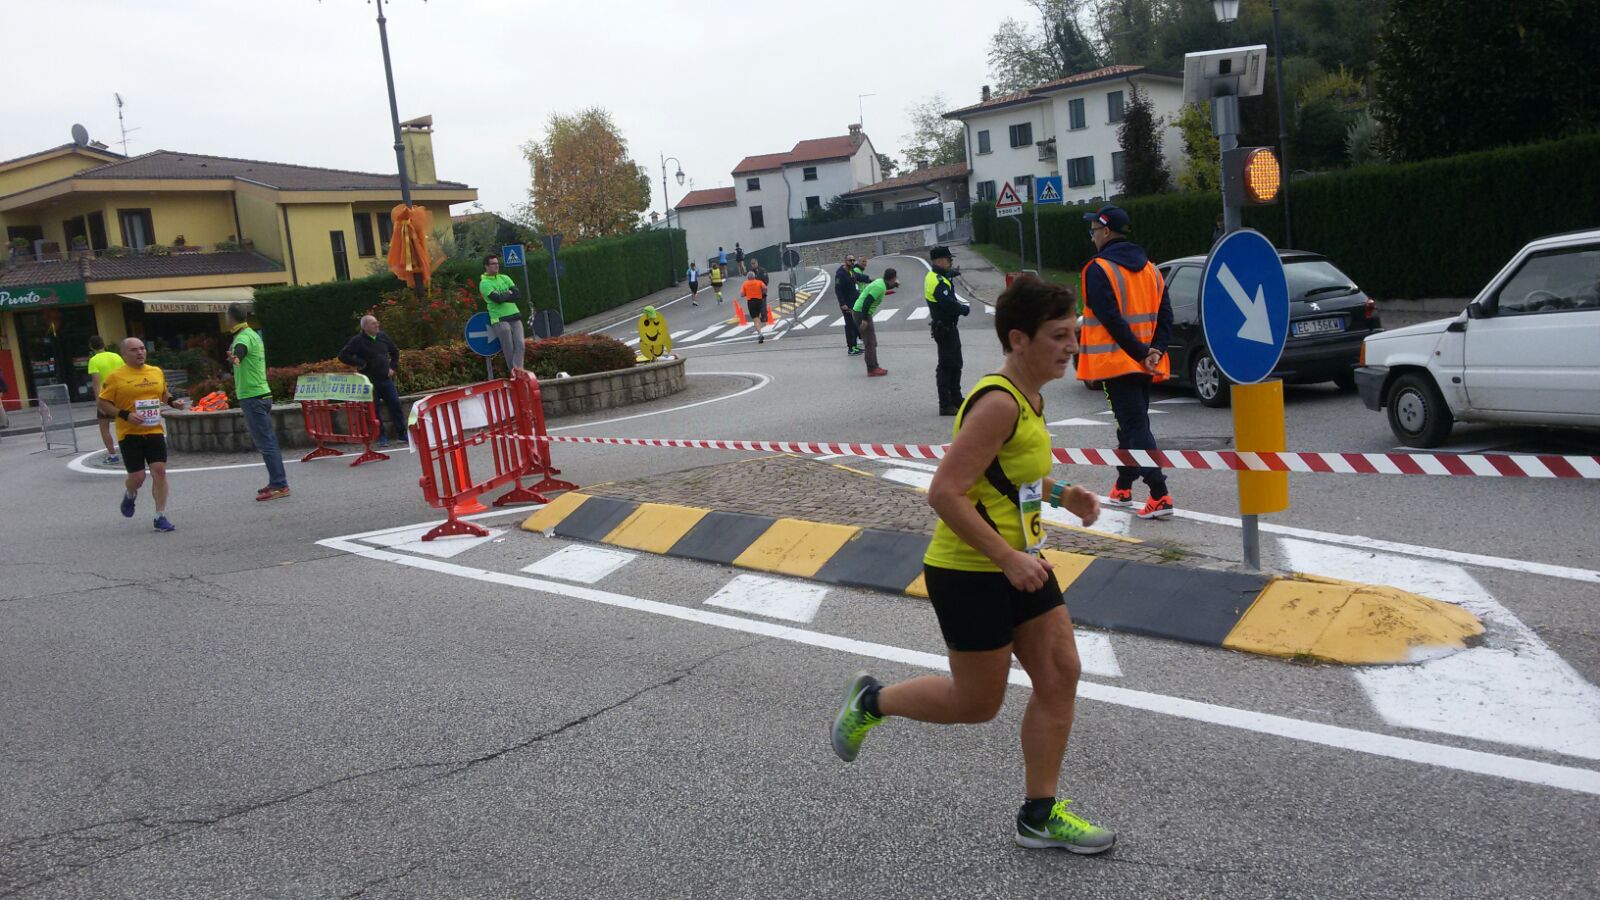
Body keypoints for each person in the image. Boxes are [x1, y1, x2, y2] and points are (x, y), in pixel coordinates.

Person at [830, 274, 1114, 855]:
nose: (1072, 345)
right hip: (970, 571)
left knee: (1061, 673)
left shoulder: (1031, 397)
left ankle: (1039, 815)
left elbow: (1008, 473)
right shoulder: (997, 403)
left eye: (1074, 333)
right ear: (1019, 339)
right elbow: (944, 493)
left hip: (1021, 563)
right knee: (977, 704)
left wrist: (1063, 495)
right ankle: (872, 701)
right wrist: (1006, 557)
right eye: (1059, 335)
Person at [1078, 206, 1174, 520]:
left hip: (1116, 363)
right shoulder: (1151, 270)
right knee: (1130, 423)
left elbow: (1111, 319)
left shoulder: (1098, 269)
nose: (1091, 237)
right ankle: (1123, 484)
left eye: (1093, 231)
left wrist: (1139, 352)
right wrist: (1155, 350)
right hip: (1145, 363)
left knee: (1134, 426)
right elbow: (1166, 315)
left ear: (1106, 232)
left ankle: (1159, 493)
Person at [97, 337, 189, 532]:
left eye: (141, 349)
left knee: (159, 471)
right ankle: (130, 493)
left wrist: (173, 402)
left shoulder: (155, 371)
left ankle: (160, 516)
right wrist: (126, 415)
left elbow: (163, 393)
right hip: (129, 433)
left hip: (154, 430)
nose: (140, 352)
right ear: (124, 355)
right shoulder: (115, 377)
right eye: (134, 350)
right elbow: (103, 403)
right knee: (137, 478)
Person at [226, 303, 290, 501]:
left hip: (252, 396)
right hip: (262, 393)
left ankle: (280, 485)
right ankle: (276, 481)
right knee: (268, 441)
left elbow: (240, 352)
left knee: (266, 443)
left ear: (230, 318)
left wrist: (235, 358)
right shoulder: (253, 334)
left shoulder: (242, 338)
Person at [338, 315, 405, 446]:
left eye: (377, 322)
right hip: (369, 382)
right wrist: (360, 363)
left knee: (396, 404)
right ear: (365, 327)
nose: (377, 325)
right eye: (373, 323)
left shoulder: (383, 336)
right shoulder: (357, 340)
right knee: (373, 409)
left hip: (385, 379)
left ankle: (402, 434)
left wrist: (392, 367)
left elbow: (395, 352)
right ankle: (381, 436)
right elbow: (343, 355)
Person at [925, 246, 971, 415]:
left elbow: (945, 276)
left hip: (948, 327)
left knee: (956, 363)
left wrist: (952, 273)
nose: (951, 261)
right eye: (949, 259)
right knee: (946, 366)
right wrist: (963, 309)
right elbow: (949, 304)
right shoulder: (937, 282)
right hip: (944, 328)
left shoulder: (936, 276)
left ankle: (956, 398)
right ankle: (945, 404)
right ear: (939, 261)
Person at [479, 253, 525, 374]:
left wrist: (504, 295)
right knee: (508, 348)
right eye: (493, 264)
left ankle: (518, 370)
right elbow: (497, 299)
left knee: (520, 344)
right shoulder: (484, 283)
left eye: (497, 263)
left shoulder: (505, 278)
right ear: (486, 266)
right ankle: (514, 372)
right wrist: (508, 293)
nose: (496, 266)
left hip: (514, 315)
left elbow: (517, 295)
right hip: (499, 318)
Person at [852, 267, 898, 377]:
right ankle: (871, 369)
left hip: (863, 312)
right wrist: (864, 320)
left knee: (872, 341)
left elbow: (884, 288)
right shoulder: (879, 287)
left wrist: (894, 286)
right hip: (862, 312)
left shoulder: (881, 282)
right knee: (870, 342)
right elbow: (867, 302)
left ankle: (875, 366)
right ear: (893, 278)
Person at [87, 335, 125, 464]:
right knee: (125, 424)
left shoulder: (94, 360)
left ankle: (112, 455)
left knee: (104, 428)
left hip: (106, 396)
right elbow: (124, 374)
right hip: (120, 395)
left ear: (91, 347)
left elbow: (96, 382)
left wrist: (98, 402)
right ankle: (130, 450)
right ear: (104, 344)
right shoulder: (116, 356)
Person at [833, 255, 866, 355]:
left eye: (853, 260)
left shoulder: (851, 271)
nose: (852, 262)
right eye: (850, 260)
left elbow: (860, 277)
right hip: (847, 304)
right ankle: (851, 348)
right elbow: (838, 290)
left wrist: (871, 280)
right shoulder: (840, 274)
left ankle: (855, 346)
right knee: (850, 325)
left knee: (855, 325)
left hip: (854, 302)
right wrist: (842, 304)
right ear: (845, 261)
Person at [740, 270, 769, 344]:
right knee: (758, 317)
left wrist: (747, 292)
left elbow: (742, 294)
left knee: (755, 319)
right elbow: (765, 288)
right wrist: (763, 293)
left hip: (751, 302)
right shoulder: (759, 282)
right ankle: (760, 331)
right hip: (759, 301)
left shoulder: (745, 283)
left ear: (748, 277)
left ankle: (760, 334)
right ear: (754, 276)